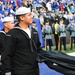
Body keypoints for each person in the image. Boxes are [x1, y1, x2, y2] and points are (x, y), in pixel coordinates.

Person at [1, 7, 41, 75]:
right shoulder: (12, 34)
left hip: (34, 70)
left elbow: (38, 49)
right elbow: (7, 54)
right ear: (22, 18)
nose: (32, 16)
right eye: (29, 15)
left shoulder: (34, 31)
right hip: (19, 71)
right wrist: (7, 72)